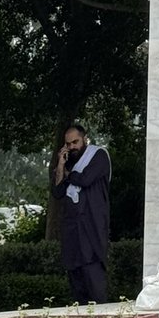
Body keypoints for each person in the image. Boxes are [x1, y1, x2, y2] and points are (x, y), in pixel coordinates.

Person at [51, 123, 111, 303]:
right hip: (72, 232)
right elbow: (58, 192)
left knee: (94, 282)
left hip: (91, 228)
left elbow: (85, 179)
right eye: (68, 144)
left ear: (84, 138)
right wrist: (61, 166)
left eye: (75, 142)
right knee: (77, 284)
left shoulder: (98, 155)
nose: (72, 147)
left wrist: (69, 174)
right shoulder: (69, 161)